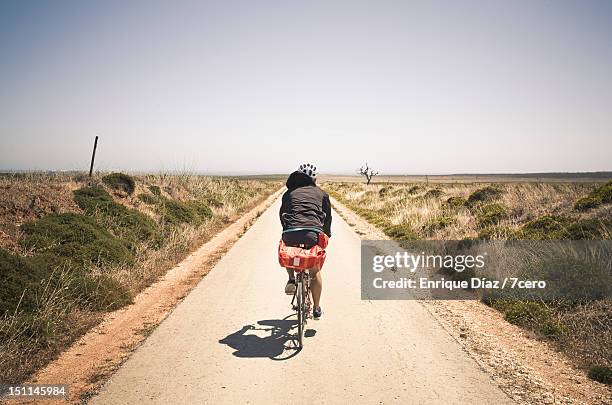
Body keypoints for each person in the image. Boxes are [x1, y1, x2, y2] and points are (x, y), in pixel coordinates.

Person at [279, 162, 332, 320]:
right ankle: (316, 308)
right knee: (315, 272)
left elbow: (282, 215)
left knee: (286, 247)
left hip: (291, 233)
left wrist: (286, 230)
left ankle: (291, 279)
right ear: (314, 179)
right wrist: (327, 234)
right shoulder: (322, 194)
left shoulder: (288, 193)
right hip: (312, 234)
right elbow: (327, 218)